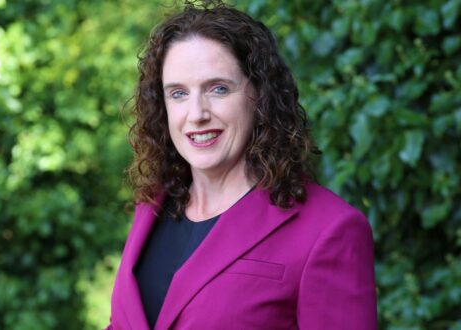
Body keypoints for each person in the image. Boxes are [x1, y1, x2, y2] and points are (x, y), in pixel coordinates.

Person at [107, 1, 377, 329]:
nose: (196, 114)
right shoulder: (152, 207)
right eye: (178, 93)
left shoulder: (330, 229)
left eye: (218, 89)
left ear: (259, 96)